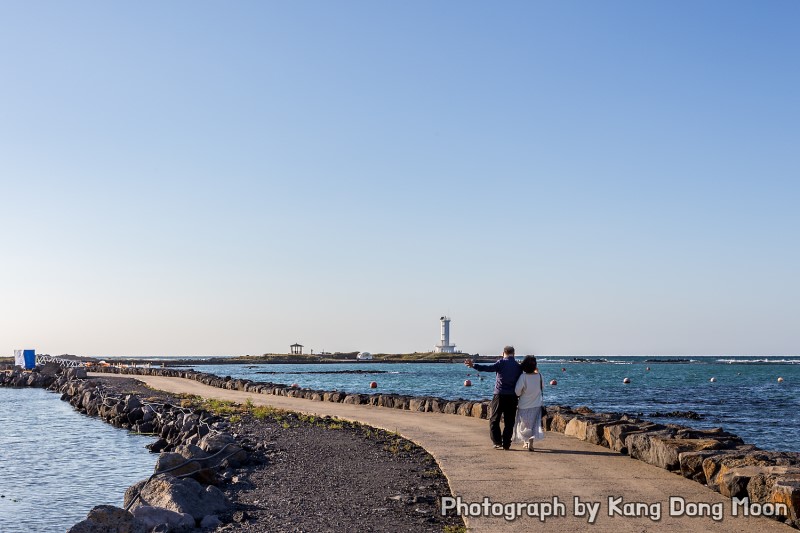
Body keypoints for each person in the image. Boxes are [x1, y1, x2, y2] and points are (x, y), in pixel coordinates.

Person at [464, 346, 522, 450]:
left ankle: (497, 441)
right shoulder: (518, 366)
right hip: (512, 397)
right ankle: (506, 444)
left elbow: (488, 368)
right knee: (509, 422)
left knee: (494, 419)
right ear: (514, 354)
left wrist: (474, 365)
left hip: (499, 395)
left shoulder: (501, 363)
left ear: (503, 353)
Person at [513, 355, 545, 451]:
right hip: (536, 405)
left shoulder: (523, 377)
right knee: (533, 425)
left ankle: (525, 442)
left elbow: (517, 391)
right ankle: (530, 443)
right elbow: (542, 388)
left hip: (523, 405)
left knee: (524, 425)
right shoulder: (539, 376)